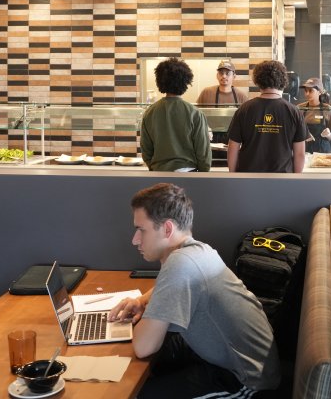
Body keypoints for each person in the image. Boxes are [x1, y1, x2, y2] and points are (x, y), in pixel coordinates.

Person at [108, 183, 280, 398]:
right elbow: (172, 286)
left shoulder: (180, 263)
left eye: (141, 230)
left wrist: (149, 313)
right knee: (148, 363)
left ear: (167, 229)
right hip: (224, 359)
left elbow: (144, 347)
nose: (135, 240)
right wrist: (142, 301)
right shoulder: (199, 251)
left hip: (245, 381)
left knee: (135, 391)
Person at [227, 60, 308, 173]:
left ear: (257, 80)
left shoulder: (244, 110)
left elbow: (232, 148)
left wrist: (233, 176)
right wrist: (295, 179)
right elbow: (300, 154)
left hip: (248, 177)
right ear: (282, 80)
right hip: (283, 178)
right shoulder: (294, 112)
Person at [140, 58, 211, 172]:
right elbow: (203, 152)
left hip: (159, 172)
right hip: (187, 172)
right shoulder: (195, 113)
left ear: (160, 81)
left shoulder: (149, 112)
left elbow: (146, 150)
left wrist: (153, 167)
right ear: (185, 81)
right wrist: (203, 173)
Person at [297, 77, 331, 154]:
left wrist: (328, 134)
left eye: (310, 91)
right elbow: (294, 132)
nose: (307, 94)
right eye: (306, 91)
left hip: (323, 152)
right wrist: (303, 134)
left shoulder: (327, 109)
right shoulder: (300, 108)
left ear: (319, 92)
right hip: (305, 151)